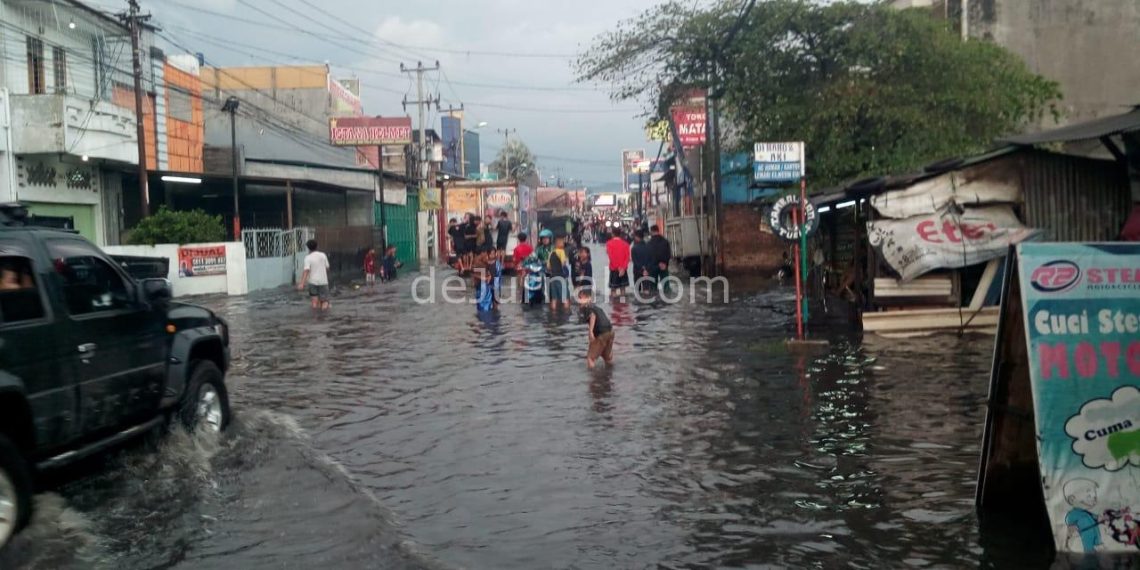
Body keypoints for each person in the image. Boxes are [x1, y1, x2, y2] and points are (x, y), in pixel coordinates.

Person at [578, 288, 614, 369]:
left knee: (590, 358)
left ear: (589, 298)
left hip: (601, 333)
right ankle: (610, 375)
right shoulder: (597, 308)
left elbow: (592, 315)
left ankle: (594, 379)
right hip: (610, 331)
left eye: (581, 298)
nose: (579, 301)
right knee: (607, 358)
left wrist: (590, 332)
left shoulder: (587, 307)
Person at [298, 239, 331, 310]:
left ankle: (314, 317)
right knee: (325, 301)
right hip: (323, 281)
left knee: (314, 302)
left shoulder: (308, 258)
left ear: (308, 248)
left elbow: (306, 270)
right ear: (317, 246)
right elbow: (327, 268)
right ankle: (324, 316)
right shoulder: (323, 255)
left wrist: (302, 283)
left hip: (312, 282)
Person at [605, 227, 631, 298]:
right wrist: (623, 268)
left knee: (613, 290)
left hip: (614, 269)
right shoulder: (626, 244)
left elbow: (611, 257)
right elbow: (628, 258)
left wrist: (618, 267)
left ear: (612, 234)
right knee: (623, 289)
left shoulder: (609, 244)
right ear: (620, 234)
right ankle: (623, 305)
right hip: (623, 270)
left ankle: (614, 306)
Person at [547, 235, 571, 309]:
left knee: (554, 298)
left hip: (553, 277)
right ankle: (566, 313)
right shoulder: (561, 252)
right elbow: (563, 264)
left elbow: (548, 267)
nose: (563, 243)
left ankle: (553, 313)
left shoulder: (551, 253)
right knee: (565, 297)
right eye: (562, 242)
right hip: (561, 277)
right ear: (558, 244)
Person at [630, 229, 654, 295]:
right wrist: (646, 269)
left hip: (637, 271)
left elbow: (635, 261)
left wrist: (642, 269)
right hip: (647, 271)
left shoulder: (634, 248)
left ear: (637, 237)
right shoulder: (649, 247)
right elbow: (651, 260)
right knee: (646, 290)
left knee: (637, 291)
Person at [648, 225, 672, 289]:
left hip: (653, 266)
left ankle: (654, 298)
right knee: (666, 287)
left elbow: (649, 256)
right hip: (663, 265)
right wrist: (664, 263)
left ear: (651, 231)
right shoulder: (665, 241)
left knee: (653, 287)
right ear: (658, 230)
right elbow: (668, 254)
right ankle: (668, 298)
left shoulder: (649, 243)